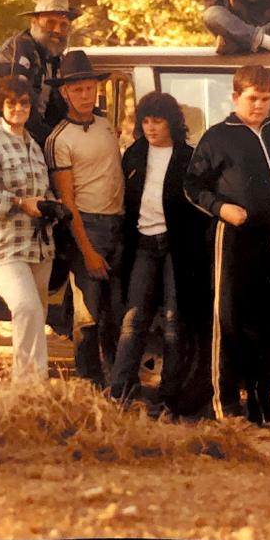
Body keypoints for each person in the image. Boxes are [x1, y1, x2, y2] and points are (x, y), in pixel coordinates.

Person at [184, 64, 270, 427]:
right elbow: (192, 186)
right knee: (230, 323)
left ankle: (262, 406)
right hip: (234, 241)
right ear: (236, 97)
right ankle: (227, 406)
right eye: (253, 99)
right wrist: (222, 209)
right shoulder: (219, 137)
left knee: (267, 327)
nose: (259, 106)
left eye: (266, 100)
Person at [108, 92, 209, 410]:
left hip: (176, 249)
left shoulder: (188, 157)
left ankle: (169, 398)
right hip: (143, 244)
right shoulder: (135, 154)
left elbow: (197, 208)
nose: (151, 128)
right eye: (146, 121)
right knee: (133, 319)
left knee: (173, 322)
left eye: (158, 121)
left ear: (172, 123)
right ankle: (118, 392)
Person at [0, 76, 57, 382]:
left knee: (36, 317)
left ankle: (35, 389)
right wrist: (19, 202)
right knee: (26, 308)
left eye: (24, 103)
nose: (18, 108)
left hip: (39, 245)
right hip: (3, 245)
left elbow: (41, 194)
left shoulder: (35, 146)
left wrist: (52, 207)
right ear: (0, 106)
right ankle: (26, 389)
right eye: (11, 103)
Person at [44, 51, 126, 388]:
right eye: (77, 90)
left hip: (117, 224)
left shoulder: (106, 126)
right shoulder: (59, 139)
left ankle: (118, 382)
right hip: (86, 226)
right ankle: (89, 383)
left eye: (89, 89)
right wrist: (88, 251)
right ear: (64, 93)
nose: (84, 96)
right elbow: (68, 203)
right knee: (87, 314)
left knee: (115, 311)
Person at [0, 0, 81, 141]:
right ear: (34, 22)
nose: (57, 30)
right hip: (7, 137)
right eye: (50, 23)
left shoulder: (53, 57)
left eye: (63, 25)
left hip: (32, 133)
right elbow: (17, 104)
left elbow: (56, 106)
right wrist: (52, 140)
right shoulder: (19, 49)